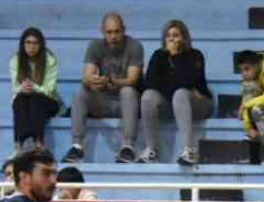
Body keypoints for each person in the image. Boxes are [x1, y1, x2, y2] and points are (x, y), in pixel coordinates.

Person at [62, 12, 143, 164]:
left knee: (127, 91)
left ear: (124, 30)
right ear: (102, 31)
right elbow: (86, 77)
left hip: (126, 103)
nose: (113, 36)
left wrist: (113, 81)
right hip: (102, 101)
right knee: (80, 92)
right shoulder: (95, 46)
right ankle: (77, 147)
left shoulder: (134, 46)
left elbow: (132, 79)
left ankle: (127, 147)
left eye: (117, 32)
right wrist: (94, 81)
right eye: (109, 32)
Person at [139, 20, 213, 166]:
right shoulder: (159, 55)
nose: (172, 39)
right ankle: (151, 149)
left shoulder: (195, 55)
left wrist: (175, 57)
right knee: (148, 96)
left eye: (176, 35)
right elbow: (149, 83)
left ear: (184, 38)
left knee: (180, 94)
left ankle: (189, 150)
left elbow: (188, 82)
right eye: (168, 36)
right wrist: (172, 83)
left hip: (199, 103)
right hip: (171, 103)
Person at [9, 27, 62, 154]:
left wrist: (34, 88)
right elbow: (15, 87)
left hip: (48, 102)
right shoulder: (15, 60)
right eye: (28, 42)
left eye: (35, 43)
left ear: (40, 45)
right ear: (23, 44)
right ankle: (19, 145)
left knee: (36, 98)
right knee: (19, 99)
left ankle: (38, 143)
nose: (31, 47)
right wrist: (23, 88)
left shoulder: (49, 60)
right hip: (25, 100)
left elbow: (49, 89)